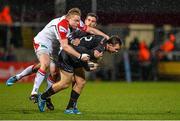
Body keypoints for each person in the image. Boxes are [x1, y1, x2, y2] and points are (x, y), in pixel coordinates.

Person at [6, 11, 108, 109]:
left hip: (60, 48)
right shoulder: (65, 26)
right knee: (48, 67)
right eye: (88, 20)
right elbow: (67, 44)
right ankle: (36, 92)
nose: (89, 23)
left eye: (93, 21)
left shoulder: (80, 26)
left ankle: (49, 98)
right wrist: (81, 56)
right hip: (48, 43)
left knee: (57, 73)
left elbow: (88, 34)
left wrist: (105, 37)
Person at [37, 35, 122, 113]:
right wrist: (89, 66)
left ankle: (70, 108)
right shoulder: (100, 49)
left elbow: (85, 52)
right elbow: (89, 54)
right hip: (68, 55)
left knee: (81, 81)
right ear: (110, 45)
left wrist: (88, 64)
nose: (116, 51)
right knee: (65, 84)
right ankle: (42, 97)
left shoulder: (102, 41)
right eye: (116, 49)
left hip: (77, 57)